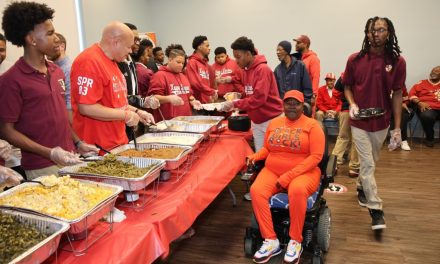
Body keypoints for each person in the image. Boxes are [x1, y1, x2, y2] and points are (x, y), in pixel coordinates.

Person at [0, 1, 95, 180]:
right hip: (41, 167)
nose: (57, 38)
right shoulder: (11, 80)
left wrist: (78, 142)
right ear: (32, 39)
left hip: (70, 157)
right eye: (50, 34)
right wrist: (50, 152)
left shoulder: (56, 71)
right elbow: (6, 130)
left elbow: (60, 117)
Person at [248, 90, 324, 264]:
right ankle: (271, 240)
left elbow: (316, 157)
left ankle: (295, 241)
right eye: (288, 102)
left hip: (304, 171)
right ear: (283, 105)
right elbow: (268, 149)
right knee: (256, 190)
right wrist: (255, 156)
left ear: (302, 106)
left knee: (297, 190)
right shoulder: (274, 123)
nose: (291, 106)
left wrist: (289, 176)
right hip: (273, 170)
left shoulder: (312, 126)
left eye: (295, 103)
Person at [344, 17, 405, 230]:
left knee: (370, 163)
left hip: (382, 122)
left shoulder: (397, 61)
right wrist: (352, 103)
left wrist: (397, 128)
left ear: (389, 33)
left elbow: (397, 94)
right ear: (366, 33)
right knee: (368, 164)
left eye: (381, 30)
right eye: (372, 30)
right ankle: (376, 210)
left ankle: (361, 187)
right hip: (359, 121)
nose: (376, 34)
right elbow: (347, 86)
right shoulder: (354, 59)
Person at [70, 21, 155, 151]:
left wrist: (137, 111)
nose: (130, 52)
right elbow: (86, 107)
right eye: (128, 47)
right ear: (115, 42)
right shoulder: (89, 61)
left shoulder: (114, 62)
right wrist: (126, 116)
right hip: (97, 148)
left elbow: (116, 102)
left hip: (118, 142)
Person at [221, 36, 283, 152]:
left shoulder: (262, 69)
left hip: (270, 119)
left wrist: (234, 104)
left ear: (249, 54)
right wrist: (240, 95)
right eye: (235, 57)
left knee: (274, 155)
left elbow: (258, 98)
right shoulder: (245, 71)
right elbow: (250, 92)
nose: (236, 61)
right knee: (259, 155)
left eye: (238, 57)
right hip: (256, 120)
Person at [147, 48, 202, 121]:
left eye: (182, 63)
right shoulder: (159, 75)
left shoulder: (183, 76)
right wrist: (169, 98)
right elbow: (153, 98)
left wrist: (193, 101)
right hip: (168, 122)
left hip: (186, 120)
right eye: (178, 62)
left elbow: (189, 94)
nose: (181, 65)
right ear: (169, 60)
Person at [331, 74, 360, 177]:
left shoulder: (345, 75)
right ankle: (354, 168)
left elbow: (335, 93)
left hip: (346, 110)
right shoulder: (367, 73)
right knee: (357, 139)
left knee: (342, 137)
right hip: (360, 111)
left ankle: (333, 165)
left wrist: (344, 100)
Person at [408, 65, 440, 147]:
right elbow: (411, 95)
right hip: (428, 108)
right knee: (427, 116)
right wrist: (419, 102)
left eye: (437, 71)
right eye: (433, 71)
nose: (434, 73)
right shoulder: (421, 83)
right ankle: (430, 138)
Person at [274, 40, 312, 104]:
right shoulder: (277, 70)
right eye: (277, 50)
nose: (277, 52)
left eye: (280, 50)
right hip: (284, 107)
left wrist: (305, 103)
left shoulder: (300, 66)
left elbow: (307, 87)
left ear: (287, 51)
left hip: (298, 105)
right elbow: (275, 91)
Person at [47, 32, 73, 119]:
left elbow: (70, 101)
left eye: (50, 46)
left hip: (66, 121)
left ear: (62, 46)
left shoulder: (68, 69)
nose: (46, 50)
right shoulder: (51, 69)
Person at [186, 35, 217, 104]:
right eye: (207, 46)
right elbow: (195, 83)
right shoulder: (192, 62)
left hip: (207, 102)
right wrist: (211, 92)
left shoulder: (205, 63)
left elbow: (208, 83)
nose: (209, 48)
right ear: (199, 47)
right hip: (197, 103)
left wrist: (210, 96)